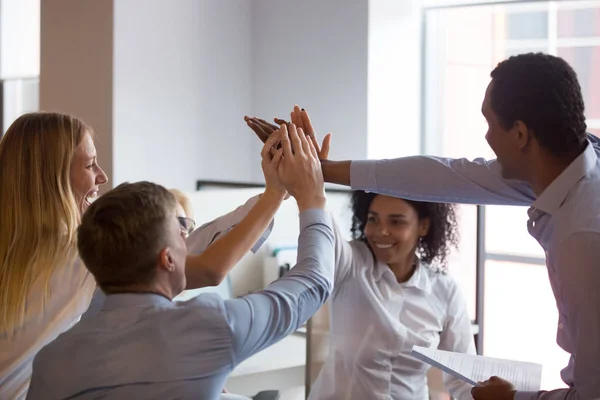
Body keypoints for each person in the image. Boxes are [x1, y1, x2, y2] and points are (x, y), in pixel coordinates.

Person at [261, 53, 599, 399]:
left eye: (490, 124)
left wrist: (511, 399)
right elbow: (445, 175)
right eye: (376, 220)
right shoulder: (576, 167)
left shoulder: (583, 238)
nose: (486, 139)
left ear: (521, 134)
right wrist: (320, 171)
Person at [26, 124, 334, 400]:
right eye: (182, 231)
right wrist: (312, 195)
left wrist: (275, 193)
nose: (189, 241)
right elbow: (314, 283)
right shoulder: (208, 327)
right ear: (168, 258)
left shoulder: (52, 361)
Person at [246, 114, 475, 399]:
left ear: (424, 227)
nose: (381, 232)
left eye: (397, 222)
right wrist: (309, 175)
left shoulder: (445, 290)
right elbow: (320, 224)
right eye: (373, 219)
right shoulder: (351, 261)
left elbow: (464, 380)